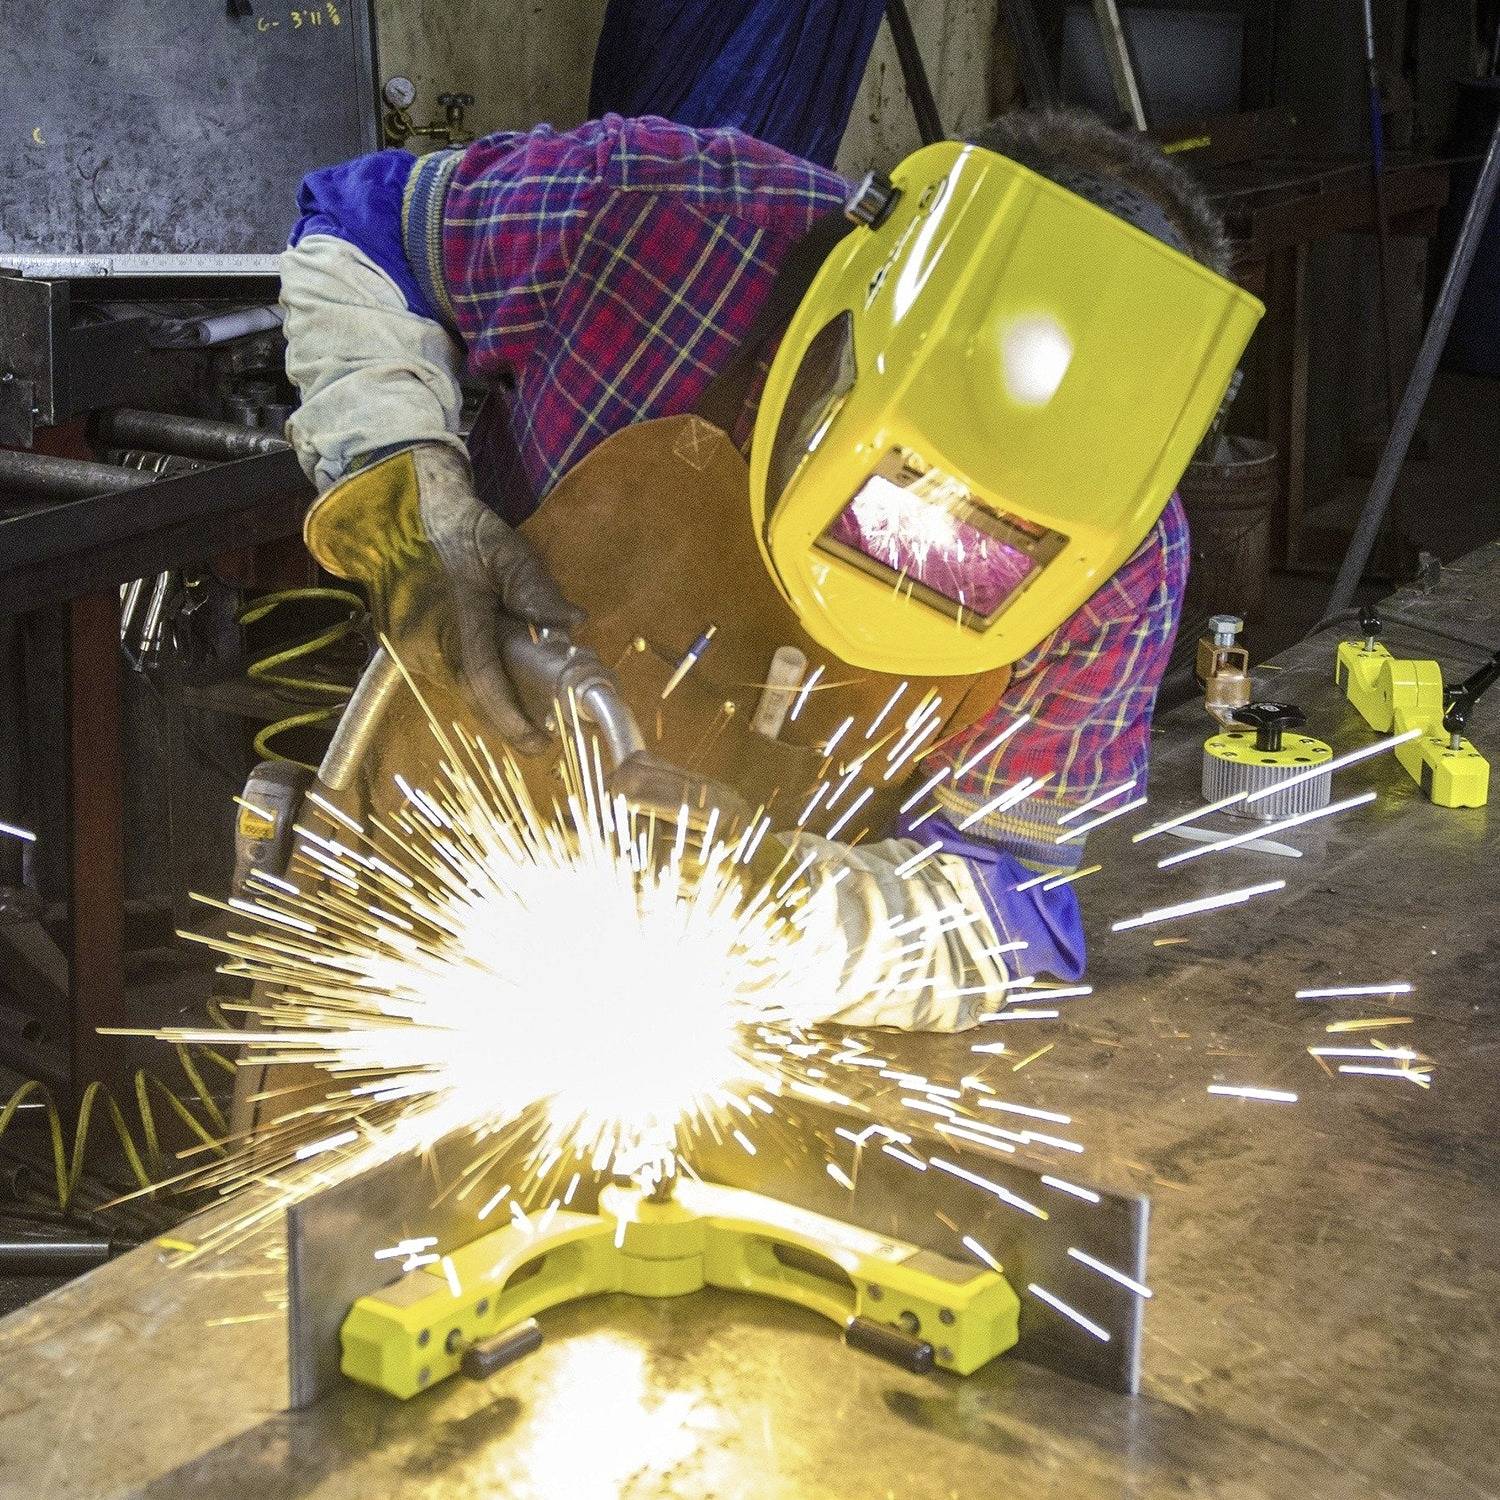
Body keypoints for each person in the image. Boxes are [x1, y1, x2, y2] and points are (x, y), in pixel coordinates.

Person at [277, 109, 1258, 1031]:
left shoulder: (1120, 564)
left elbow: (1008, 904)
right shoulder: (664, 214)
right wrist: (407, 512)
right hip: (403, 882)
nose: (908, 556)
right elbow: (361, 229)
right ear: (858, 315)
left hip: (747, 1025)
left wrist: (782, 915)